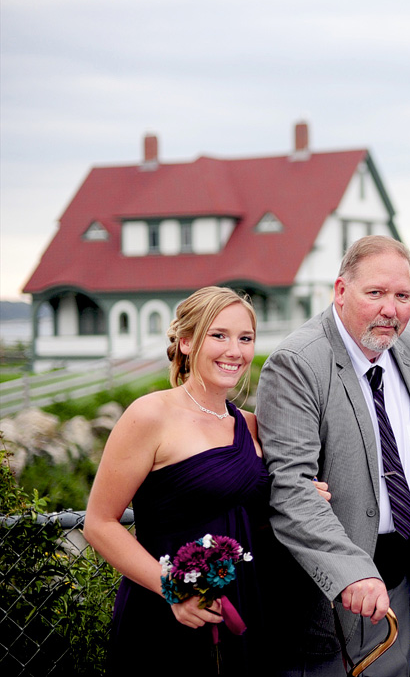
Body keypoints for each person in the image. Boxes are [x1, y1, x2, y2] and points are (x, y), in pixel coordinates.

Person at [255, 235, 410, 677]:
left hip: (397, 583)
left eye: (403, 296)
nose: (390, 309)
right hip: (330, 598)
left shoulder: (409, 345)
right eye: (375, 293)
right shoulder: (297, 364)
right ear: (341, 291)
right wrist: (351, 573)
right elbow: (292, 490)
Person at [84, 287, 280, 675]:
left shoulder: (252, 426)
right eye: (219, 335)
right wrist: (175, 589)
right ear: (187, 341)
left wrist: (299, 496)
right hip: (168, 611)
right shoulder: (150, 415)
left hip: (247, 606)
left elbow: (254, 515)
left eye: (245, 338)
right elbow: (99, 523)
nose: (235, 350)